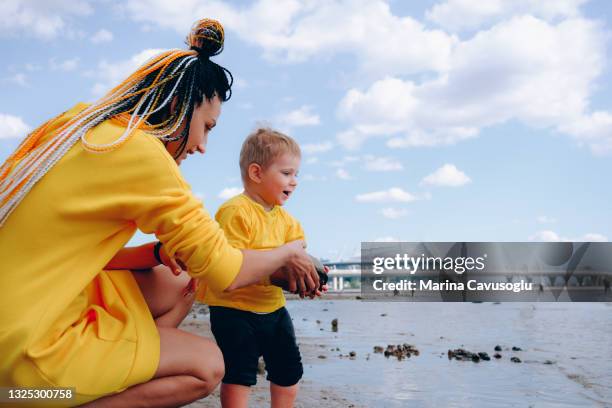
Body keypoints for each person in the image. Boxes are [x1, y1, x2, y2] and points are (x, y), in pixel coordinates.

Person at [0, 19, 319, 407]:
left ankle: (123, 362)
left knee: (180, 281)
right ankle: (47, 398)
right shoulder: (142, 155)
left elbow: (74, 254)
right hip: (24, 350)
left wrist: (155, 253)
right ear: (176, 109)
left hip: (23, 307)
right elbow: (225, 270)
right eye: (207, 126)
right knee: (207, 366)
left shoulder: (84, 126)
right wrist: (291, 250)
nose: (202, 145)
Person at [196, 128, 315, 408]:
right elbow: (232, 260)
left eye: (296, 174)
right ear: (256, 173)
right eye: (287, 173)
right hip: (233, 309)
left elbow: (294, 266)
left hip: (273, 308)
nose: (294, 181)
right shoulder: (236, 211)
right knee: (239, 373)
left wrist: (310, 280)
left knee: (288, 370)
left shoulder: (290, 223)